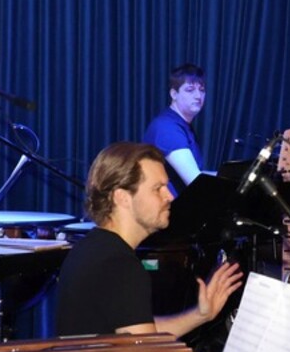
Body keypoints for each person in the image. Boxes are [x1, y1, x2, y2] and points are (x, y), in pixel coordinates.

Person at [56, 142, 243, 336]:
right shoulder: (120, 265)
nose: (170, 196)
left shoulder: (93, 249)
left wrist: (200, 315)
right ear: (122, 197)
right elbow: (142, 347)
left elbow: (139, 331)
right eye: (158, 188)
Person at [143, 63, 208, 196]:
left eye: (201, 90)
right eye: (190, 90)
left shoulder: (180, 124)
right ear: (174, 94)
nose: (198, 96)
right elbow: (195, 182)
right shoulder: (167, 128)